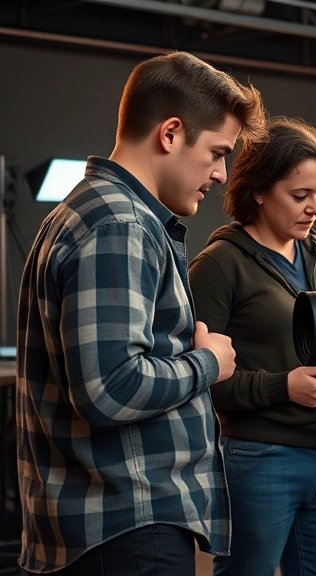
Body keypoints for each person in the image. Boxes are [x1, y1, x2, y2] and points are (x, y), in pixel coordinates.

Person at [15, 51, 266, 575]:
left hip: (115, 526)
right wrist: (209, 362)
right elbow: (110, 388)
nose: (221, 174)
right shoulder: (119, 224)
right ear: (171, 134)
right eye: (218, 152)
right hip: (126, 527)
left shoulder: (94, 212)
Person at [188, 117, 316, 576]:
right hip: (260, 460)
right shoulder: (219, 266)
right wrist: (283, 388)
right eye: (300, 195)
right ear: (259, 191)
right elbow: (198, 378)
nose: (315, 207)